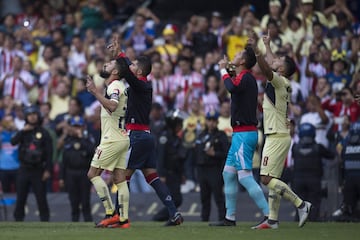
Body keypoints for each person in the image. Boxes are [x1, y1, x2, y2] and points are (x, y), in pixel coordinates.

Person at [114, 36, 184, 226]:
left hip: (135, 136)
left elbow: (127, 72)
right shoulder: (144, 86)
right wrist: (124, 57)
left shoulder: (141, 84)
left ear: (140, 70)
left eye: (135, 64)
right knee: (152, 177)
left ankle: (119, 216)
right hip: (146, 136)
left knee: (121, 176)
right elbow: (129, 71)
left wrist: (121, 54)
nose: (132, 66)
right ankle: (174, 213)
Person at [248, 30, 312, 229]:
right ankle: (273, 220)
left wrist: (258, 52)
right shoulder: (282, 82)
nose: (274, 59)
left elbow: (267, 69)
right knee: (272, 179)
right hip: (278, 134)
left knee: (265, 178)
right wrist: (267, 46)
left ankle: (301, 204)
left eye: (278, 60)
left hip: (276, 136)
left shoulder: (279, 81)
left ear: (282, 69)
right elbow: (270, 65)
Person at [210, 45, 269, 226]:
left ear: (243, 61)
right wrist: (228, 69)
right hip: (240, 133)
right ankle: (230, 218)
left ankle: (270, 215)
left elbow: (231, 87)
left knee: (244, 176)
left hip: (244, 133)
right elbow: (234, 84)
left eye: (238, 54)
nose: (234, 55)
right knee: (228, 174)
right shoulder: (245, 77)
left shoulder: (245, 77)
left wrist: (223, 70)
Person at [86, 53, 130, 228]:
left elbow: (112, 105)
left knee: (92, 174)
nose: (106, 64)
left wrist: (95, 92)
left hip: (112, 139)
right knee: (119, 179)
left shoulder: (115, 86)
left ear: (116, 71)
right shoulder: (116, 85)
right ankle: (123, 220)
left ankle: (110, 212)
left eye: (110, 63)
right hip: (121, 137)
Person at [10, 105, 53, 221]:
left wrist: (48, 170)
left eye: (34, 114)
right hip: (24, 169)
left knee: (41, 197)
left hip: (38, 170)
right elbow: (13, 142)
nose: (32, 117)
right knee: (21, 197)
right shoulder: (23, 132)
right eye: (29, 115)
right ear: (26, 117)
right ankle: (18, 220)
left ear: (38, 116)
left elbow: (49, 153)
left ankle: (45, 220)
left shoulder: (44, 133)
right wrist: (22, 131)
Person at [292, 123, 335, 221]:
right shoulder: (318, 147)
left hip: (298, 180)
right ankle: (312, 220)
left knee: (299, 204)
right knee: (314, 204)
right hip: (314, 180)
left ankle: (299, 221)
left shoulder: (295, 148)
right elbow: (331, 155)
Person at [58, 116, 95, 222]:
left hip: (84, 172)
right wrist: (61, 177)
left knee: (85, 201)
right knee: (73, 200)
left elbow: (92, 153)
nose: (77, 129)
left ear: (83, 127)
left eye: (79, 127)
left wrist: (81, 138)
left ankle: (88, 221)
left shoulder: (88, 139)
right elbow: (63, 161)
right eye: (75, 127)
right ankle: (74, 221)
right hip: (70, 173)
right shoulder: (68, 140)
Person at [153, 109, 187, 221]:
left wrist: (182, 174)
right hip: (168, 174)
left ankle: (169, 218)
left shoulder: (175, 138)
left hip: (176, 173)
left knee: (176, 199)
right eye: (179, 124)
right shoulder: (165, 137)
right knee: (176, 199)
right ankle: (159, 218)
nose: (181, 126)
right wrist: (161, 174)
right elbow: (160, 157)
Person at [195, 110, 228, 222]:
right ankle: (204, 219)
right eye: (209, 120)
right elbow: (196, 152)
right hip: (202, 169)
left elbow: (226, 153)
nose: (211, 123)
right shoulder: (201, 135)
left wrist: (215, 154)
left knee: (218, 196)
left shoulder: (221, 135)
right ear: (206, 121)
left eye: (214, 120)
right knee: (204, 197)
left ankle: (223, 218)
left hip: (214, 168)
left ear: (217, 121)